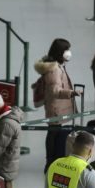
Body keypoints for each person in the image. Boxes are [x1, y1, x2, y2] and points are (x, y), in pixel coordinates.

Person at [35, 38, 82, 167]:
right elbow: (55, 91)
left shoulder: (57, 66)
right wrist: (71, 93)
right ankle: (51, 161)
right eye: (66, 50)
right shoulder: (54, 70)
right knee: (54, 134)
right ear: (60, 52)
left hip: (57, 107)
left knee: (53, 133)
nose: (69, 52)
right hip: (57, 108)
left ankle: (51, 160)